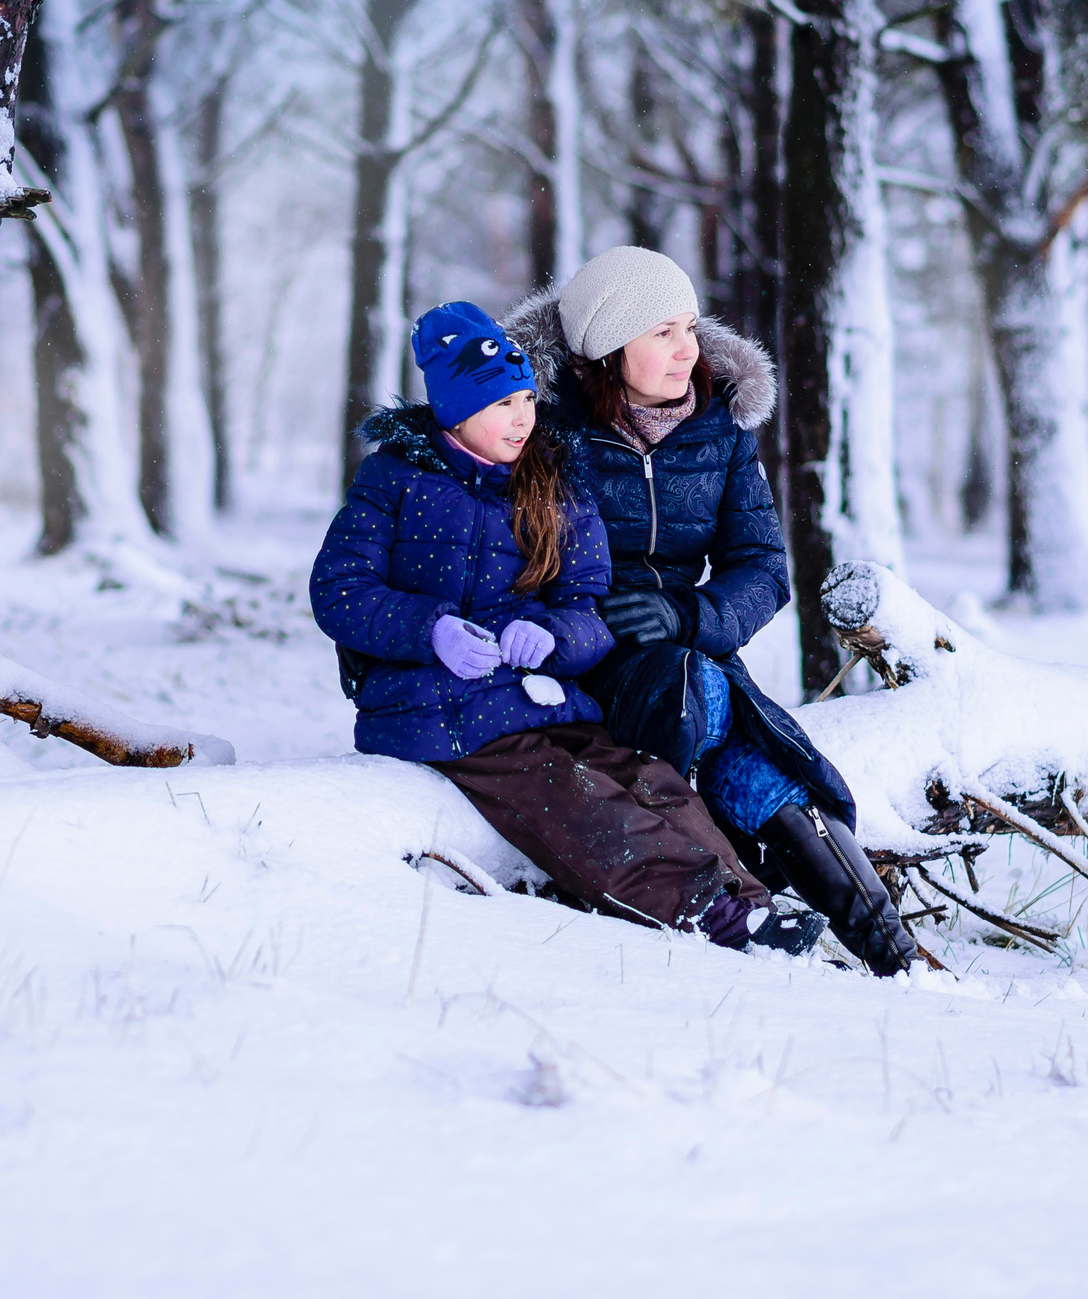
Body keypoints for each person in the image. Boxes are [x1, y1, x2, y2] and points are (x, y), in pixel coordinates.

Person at [311, 301, 822, 955]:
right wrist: (429, 629)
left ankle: (749, 901)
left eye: (527, 397)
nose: (523, 416)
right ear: (454, 411)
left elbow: (589, 604)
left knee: (647, 777)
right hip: (438, 709)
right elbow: (339, 590)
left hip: (544, 700)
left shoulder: (553, 478)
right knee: (578, 800)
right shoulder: (395, 480)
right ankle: (711, 917)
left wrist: (553, 635)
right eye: (502, 404)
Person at [505, 248, 920, 976]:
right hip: (586, 659)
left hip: (691, 652)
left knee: (743, 736)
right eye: (662, 331)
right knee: (704, 699)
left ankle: (892, 954)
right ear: (608, 345)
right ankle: (767, 909)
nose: (687, 348)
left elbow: (763, 569)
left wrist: (686, 613)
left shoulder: (720, 425)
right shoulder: (543, 429)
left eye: (690, 327)